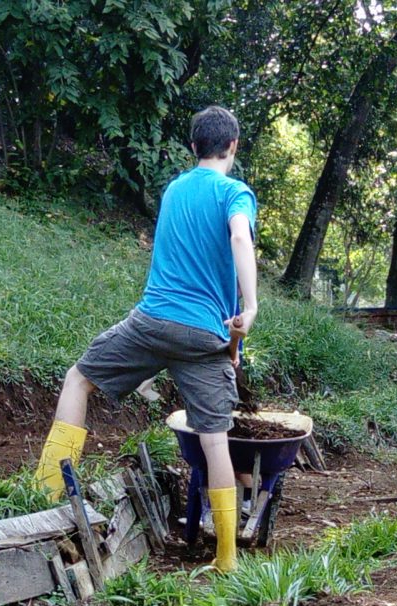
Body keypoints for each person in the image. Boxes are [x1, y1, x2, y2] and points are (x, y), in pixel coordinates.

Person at [34, 106, 257, 570]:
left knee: (79, 379)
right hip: (203, 336)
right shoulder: (236, 193)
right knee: (215, 440)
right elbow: (238, 238)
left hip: (151, 322)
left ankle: (47, 492)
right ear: (232, 146)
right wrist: (249, 306)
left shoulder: (175, 189)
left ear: (193, 147)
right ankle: (227, 560)